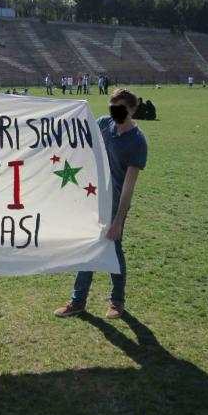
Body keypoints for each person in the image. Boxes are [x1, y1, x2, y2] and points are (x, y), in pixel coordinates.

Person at [54, 88, 148, 320]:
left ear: (133, 109)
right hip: (93, 200)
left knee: (113, 250)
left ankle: (117, 301)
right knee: (89, 247)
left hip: (115, 205)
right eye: (112, 109)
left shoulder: (137, 142)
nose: (116, 114)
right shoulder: (105, 124)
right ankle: (78, 301)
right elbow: (79, 136)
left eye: (122, 110)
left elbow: (128, 187)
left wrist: (117, 221)